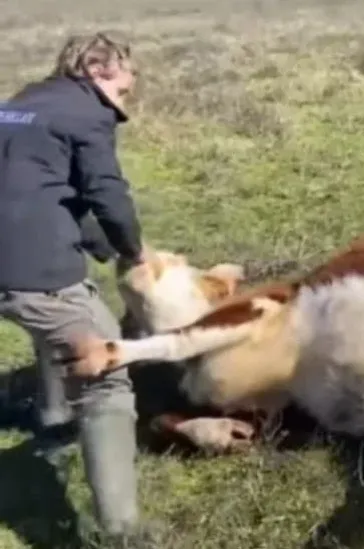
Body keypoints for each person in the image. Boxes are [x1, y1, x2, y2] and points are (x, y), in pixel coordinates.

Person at [0, 31, 148, 538]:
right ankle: (122, 532)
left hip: (12, 258)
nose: (124, 99)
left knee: (60, 314)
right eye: (124, 88)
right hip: (28, 268)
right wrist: (133, 249)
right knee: (105, 373)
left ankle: (53, 413)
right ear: (97, 70)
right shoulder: (87, 113)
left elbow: (42, 189)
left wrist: (100, 247)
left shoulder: (18, 105)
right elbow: (106, 191)